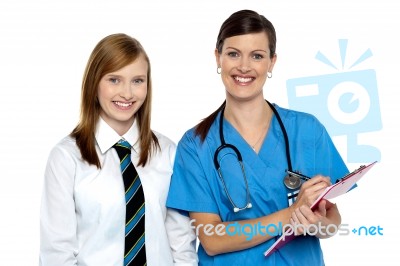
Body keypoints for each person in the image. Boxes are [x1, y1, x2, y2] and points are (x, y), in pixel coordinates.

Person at [166, 9, 349, 265]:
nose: (244, 66)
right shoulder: (196, 143)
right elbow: (211, 238)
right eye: (233, 54)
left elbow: (332, 218)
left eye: (257, 56)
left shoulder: (308, 130)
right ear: (218, 58)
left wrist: (318, 224)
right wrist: (290, 215)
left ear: (272, 62)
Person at [40, 33, 198, 266]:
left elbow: (181, 245)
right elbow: (56, 252)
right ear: (94, 84)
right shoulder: (66, 157)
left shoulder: (167, 152)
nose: (127, 93)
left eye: (137, 80)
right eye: (114, 80)